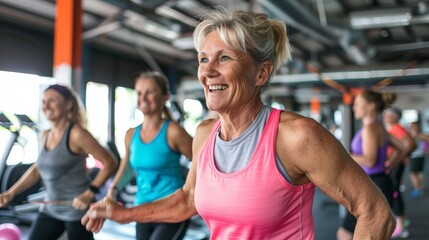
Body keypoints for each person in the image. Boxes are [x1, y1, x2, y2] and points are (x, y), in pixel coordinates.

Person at [82, 7, 396, 239]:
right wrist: (125, 214)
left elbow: (376, 212)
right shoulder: (205, 134)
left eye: (225, 58)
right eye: (204, 59)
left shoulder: (297, 137)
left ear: (261, 73)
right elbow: (189, 199)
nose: (207, 72)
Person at [0, 84, 117, 240]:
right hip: (50, 207)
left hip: (76, 209)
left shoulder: (77, 134)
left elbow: (110, 162)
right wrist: (10, 193)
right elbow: (37, 169)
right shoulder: (45, 135)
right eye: (43, 101)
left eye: (52, 100)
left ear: (68, 104)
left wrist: (90, 193)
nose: (46, 105)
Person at [101, 71, 193, 240]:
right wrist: (112, 191)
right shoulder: (131, 134)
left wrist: (192, 195)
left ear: (164, 96)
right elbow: (127, 167)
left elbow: (201, 161)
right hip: (142, 208)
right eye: (139, 93)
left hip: (172, 209)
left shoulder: (173, 132)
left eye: (149, 92)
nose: (143, 97)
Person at [336, 90, 407, 240]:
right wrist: (388, 166)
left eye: (358, 104)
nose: (354, 107)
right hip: (378, 181)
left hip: (372, 183)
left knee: (345, 234)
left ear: (371, 106)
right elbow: (402, 148)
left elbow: (369, 160)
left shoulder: (369, 129)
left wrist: (345, 155)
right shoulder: (379, 127)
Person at [383, 105, 416, 238]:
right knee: (394, 191)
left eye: (387, 114)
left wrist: (397, 159)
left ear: (395, 117)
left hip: (395, 166)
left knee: (394, 192)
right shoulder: (393, 128)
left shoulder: (397, 128)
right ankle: (401, 222)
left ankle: (401, 226)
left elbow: (412, 144)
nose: (385, 116)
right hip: (395, 164)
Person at [408, 121, 429, 198]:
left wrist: (426, 149)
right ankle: (420, 187)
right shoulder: (414, 134)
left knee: (413, 174)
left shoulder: (418, 135)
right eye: (411, 126)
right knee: (418, 173)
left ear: (417, 127)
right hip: (418, 156)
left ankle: (418, 189)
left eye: (413, 126)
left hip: (416, 156)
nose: (411, 127)